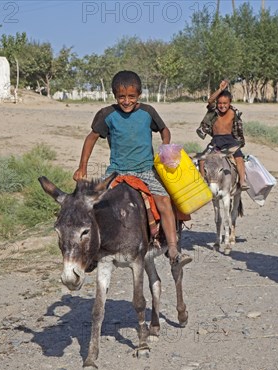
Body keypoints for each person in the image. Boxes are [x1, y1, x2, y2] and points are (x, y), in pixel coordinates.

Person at [73, 70, 192, 267]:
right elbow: (91, 137)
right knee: (93, 204)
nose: (126, 101)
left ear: (139, 95)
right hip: (117, 171)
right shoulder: (107, 115)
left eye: (131, 97)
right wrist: (82, 168)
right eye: (121, 97)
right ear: (115, 96)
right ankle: (92, 252)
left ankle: (173, 249)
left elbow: (164, 129)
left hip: (145, 169)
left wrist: (165, 146)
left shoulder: (148, 112)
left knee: (164, 201)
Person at [196, 80, 248, 190]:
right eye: (220, 103)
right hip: (216, 141)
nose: (222, 106)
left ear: (230, 103)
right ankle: (202, 182)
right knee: (202, 159)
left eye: (225, 103)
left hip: (230, 141)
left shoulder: (234, 113)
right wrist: (220, 89)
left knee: (239, 158)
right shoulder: (214, 111)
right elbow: (210, 100)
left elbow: (238, 131)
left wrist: (238, 144)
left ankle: (242, 181)